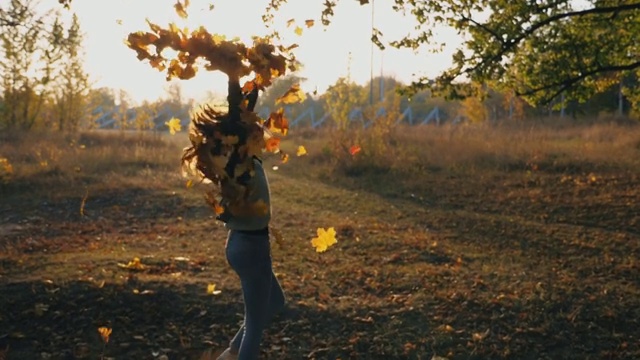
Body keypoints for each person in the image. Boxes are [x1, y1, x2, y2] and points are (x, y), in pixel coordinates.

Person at [216, 155, 286, 360]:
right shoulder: (244, 166)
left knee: (275, 301)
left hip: (241, 243)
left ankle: (231, 353)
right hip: (251, 246)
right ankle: (235, 353)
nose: (262, 136)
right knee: (254, 327)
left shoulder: (239, 163)